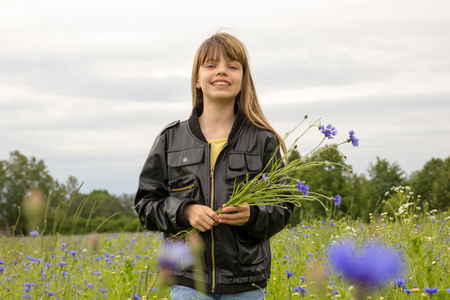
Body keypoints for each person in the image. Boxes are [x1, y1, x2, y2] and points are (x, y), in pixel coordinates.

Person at [135, 32, 294, 300]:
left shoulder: (263, 140)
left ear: (243, 80)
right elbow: (146, 205)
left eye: (232, 66)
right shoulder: (171, 139)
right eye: (211, 65)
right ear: (197, 79)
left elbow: (282, 207)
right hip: (188, 280)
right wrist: (185, 211)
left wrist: (253, 215)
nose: (222, 72)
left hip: (245, 283)